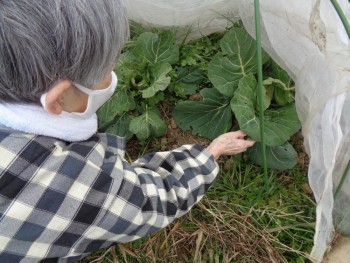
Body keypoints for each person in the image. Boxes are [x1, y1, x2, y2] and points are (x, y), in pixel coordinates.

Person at [0, 1, 255, 262]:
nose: (114, 74)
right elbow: (152, 199)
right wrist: (211, 153)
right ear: (60, 97)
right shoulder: (63, 183)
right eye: (108, 69)